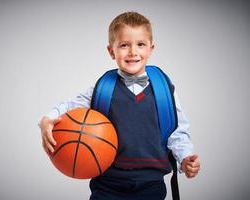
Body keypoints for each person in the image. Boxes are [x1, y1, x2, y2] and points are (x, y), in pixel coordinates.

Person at [39, 11, 200, 200]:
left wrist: (185, 158)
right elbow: (70, 105)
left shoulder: (164, 89)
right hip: (107, 184)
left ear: (151, 49)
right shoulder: (103, 88)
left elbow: (176, 132)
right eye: (124, 45)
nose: (133, 52)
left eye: (140, 44)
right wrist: (47, 119)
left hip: (151, 183)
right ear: (111, 51)